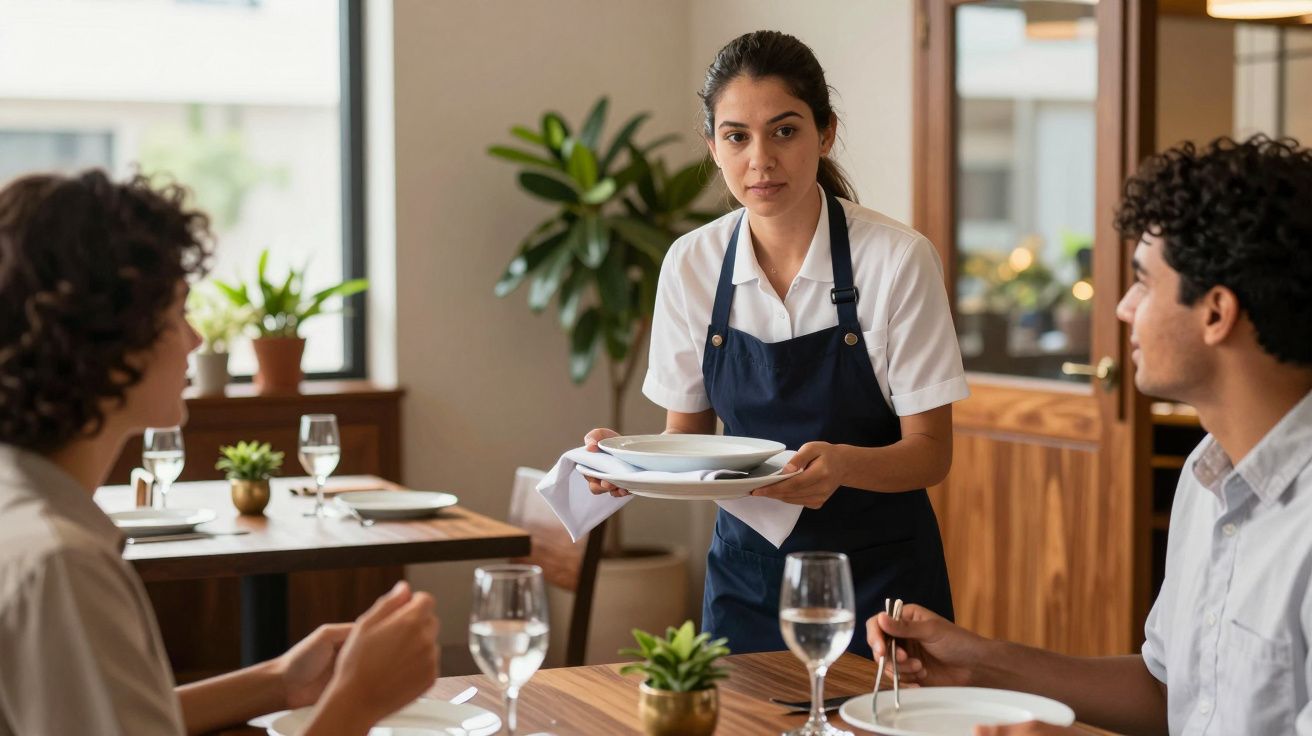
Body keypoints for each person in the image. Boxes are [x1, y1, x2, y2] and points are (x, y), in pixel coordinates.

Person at [867, 135, 1312, 735]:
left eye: (1144, 283)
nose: (1125, 308)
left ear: (1216, 311)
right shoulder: (1208, 475)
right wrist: (980, 664)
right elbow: (1166, 693)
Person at [0, 170, 439, 735]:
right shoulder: (62, 565)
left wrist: (280, 681)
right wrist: (359, 698)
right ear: (112, 339)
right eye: (178, 312)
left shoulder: (23, 507)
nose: (196, 339)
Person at [584, 30, 969, 657]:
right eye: (736, 136)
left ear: (825, 133)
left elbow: (930, 455)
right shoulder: (691, 263)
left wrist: (842, 466)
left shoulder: (897, 259)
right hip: (746, 579)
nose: (760, 159)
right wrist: (628, 464)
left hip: (879, 584)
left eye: (784, 131)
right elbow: (685, 437)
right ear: (713, 147)